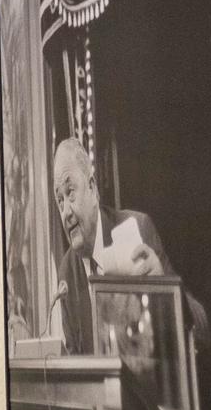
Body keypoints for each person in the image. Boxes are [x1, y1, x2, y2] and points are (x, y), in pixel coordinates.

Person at [50, 137, 177, 356]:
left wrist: (165, 291)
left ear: (92, 187)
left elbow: (200, 325)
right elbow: (75, 358)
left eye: (70, 192)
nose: (66, 212)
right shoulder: (67, 271)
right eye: (60, 200)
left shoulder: (138, 228)